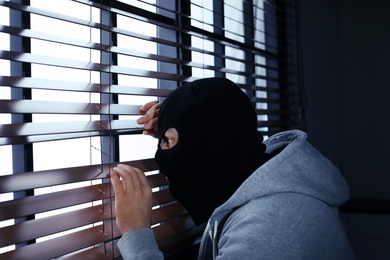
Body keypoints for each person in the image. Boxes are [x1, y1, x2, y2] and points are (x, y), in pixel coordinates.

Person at [110, 77, 355, 259]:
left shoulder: (267, 225)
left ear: (208, 143)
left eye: (169, 142)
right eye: (164, 141)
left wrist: (136, 232)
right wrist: (175, 126)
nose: (162, 155)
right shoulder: (274, 184)